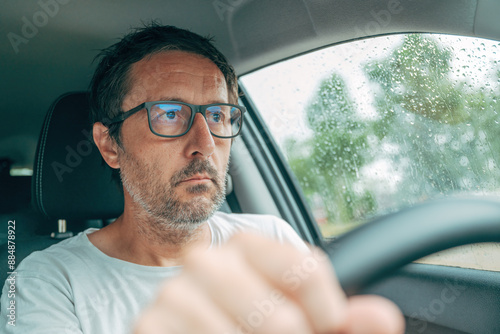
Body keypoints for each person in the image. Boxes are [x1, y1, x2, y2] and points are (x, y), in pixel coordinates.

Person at [0, 23, 404, 334]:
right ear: (109, 146)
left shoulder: (272, 240)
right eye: (169, 114)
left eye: (217, 115)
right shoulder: (42, 284)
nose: (205, 144)